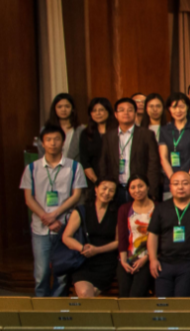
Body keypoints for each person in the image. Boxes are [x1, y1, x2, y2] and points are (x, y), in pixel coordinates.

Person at [22, 125, 87, 297]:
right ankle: (42, 308)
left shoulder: (75, 167)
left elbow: (76, 196)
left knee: (62, 274)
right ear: (42, 143)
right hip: (40, 228)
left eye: (57, 139)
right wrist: (46, 218)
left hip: (65, 227)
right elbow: (29, 198)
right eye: (48, 140)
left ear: (63, 142)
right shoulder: (32, 168)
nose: (53, 143)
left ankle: (58, 307)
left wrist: (54, 215)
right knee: (41, 273)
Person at [147, 172, 190, 298]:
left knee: (180, 301)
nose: (180, 187)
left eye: (185, 183)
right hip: (165, 263)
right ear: (170, 187)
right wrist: (153, 259)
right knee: (163, 302)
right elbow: (153, 235)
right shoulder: (161, 208)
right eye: (176, 184)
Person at [61, 178, 120, 298]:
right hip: (83, 260)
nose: (107, 193)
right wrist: (83, 248)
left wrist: (97, 250)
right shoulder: (82, 210)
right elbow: (66, 237)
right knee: (85, 292)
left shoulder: (117, 212)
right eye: (104, 188)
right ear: (96, 189)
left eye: (111, 190)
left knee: (87, 295)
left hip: (106, 262)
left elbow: (118, 242)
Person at [100, 97, 162, 202]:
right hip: (115, 189)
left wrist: (151, 191)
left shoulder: (146, 134)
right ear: (115, 114)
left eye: (130, 110)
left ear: (135, 113)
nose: (126, 113)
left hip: (140, 189)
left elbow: (153, 164)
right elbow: (103, 163)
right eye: (121, 110)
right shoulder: (108, 136)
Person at [113, 176, 156, 298]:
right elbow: (122, 237)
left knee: (135, 296)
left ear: (148, 187)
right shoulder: (124, 209)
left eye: (140, 186)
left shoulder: (158, 208)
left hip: (149, 258)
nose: (137, 190)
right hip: (127, 258)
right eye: (133, 187)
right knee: (124, 296)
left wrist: (146, 259)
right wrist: (123, 260)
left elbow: (162, 237)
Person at [159, 93, 190, 200]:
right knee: (171, 209)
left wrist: (188, 179)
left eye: (181, 106)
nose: (178, 110)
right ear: (169, 109)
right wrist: (173, 180)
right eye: (174, 107)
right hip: (170, 178)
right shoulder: (164, 130)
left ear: (188, 107)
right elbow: (163, 157)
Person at [80, 97, 114, 191]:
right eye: (94, 110)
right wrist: (97, 182)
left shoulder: (117, 131)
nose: (98, 113)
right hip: (94, 183)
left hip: (117, 182)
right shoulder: (86, 133)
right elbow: (85, 162)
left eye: (101, 110)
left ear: (108, 111)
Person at [42, 93, 84, 163]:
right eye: (59, 107)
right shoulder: (46, 129)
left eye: (67, 106)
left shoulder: (81, 130)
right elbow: (41, 153)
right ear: (54, 109)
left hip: (73, 167)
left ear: (72, 109)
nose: (63, 110)